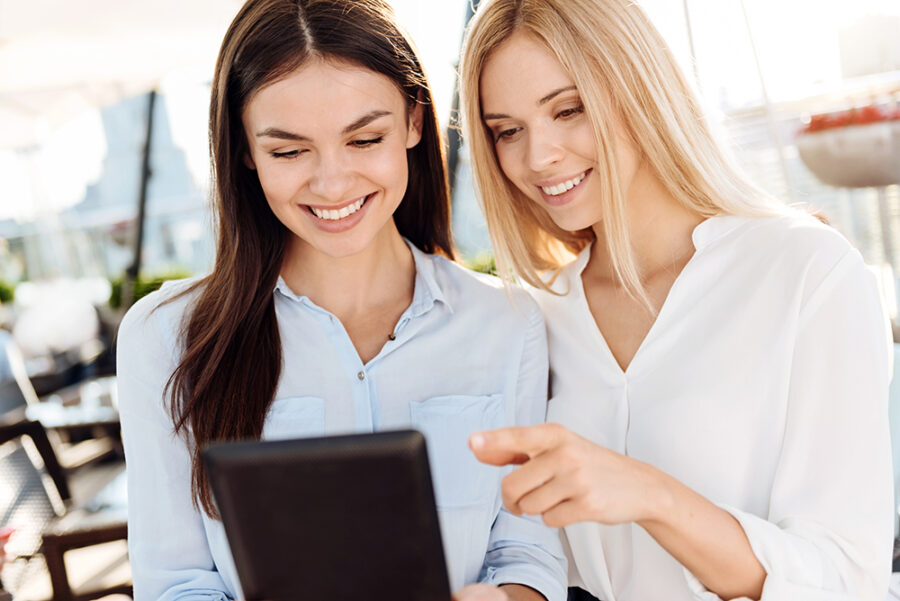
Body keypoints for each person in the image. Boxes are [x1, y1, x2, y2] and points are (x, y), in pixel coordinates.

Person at [116, 1, 566, 600]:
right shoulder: (165, 337)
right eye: (288, 151)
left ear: (413, 122)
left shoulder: (507, 322)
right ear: (245, 150)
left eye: (364, 138)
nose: (332, 184)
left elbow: (527, 551)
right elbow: (175, 584)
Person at [457, 1, 894, 600]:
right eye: (508, 131)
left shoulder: (805, 271)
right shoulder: (537, 315)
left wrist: (653, 496)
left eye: (570, 109)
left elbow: (848, 579)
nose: (538, 157)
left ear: (640, 88)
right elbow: (539, 560)